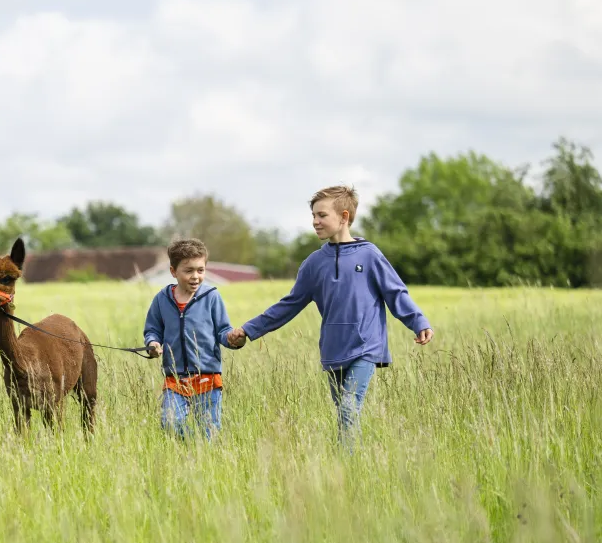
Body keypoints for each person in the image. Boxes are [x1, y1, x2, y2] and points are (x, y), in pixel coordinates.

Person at [229, 185, 433, 447]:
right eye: (313, 215)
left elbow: (395, 292)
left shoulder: (370, 255)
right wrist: (249, 329)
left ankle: (348, 462)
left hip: (366, 347)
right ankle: (351, 465)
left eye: (322, 215)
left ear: (344, 217)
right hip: (333, 349)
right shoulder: (313, 263)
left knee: (349, 408)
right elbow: (289, 305)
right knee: (345, 414)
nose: (315, 221)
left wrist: (418, 321)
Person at [143, 238, 241, 440]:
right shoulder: (162, 299)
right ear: (173, 272)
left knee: (209, 433)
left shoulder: (212, 297)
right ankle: (193, 445)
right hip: (175, 379)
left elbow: (223, 331)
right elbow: (152, 330)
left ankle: (202, 451)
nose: (195, 276)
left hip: (208, 378)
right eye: (188, 271)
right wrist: (152, 344)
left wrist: (233, 339)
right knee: (170, 424)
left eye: (200, 270)